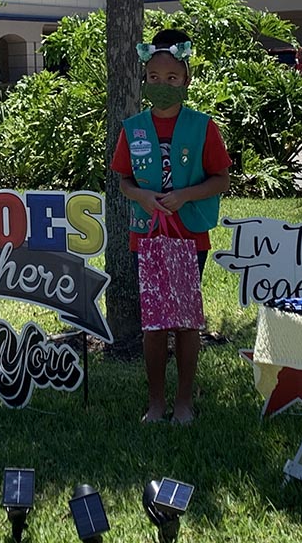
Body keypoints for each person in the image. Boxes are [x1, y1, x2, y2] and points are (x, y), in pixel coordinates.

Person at [110, 29, 231, 425]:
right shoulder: (134, 128)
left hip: (188, 236)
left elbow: (221, 178)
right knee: (155, 322)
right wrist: (140, 196)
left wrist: (187, 195)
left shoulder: (202, 127)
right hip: (147, 237)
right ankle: (156, 402)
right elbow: (123, 180)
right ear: (145, 81)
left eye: (173, 79)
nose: (163, 86)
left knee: (185, 319)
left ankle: (183, 403)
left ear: (186, 81)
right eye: (155, 79)